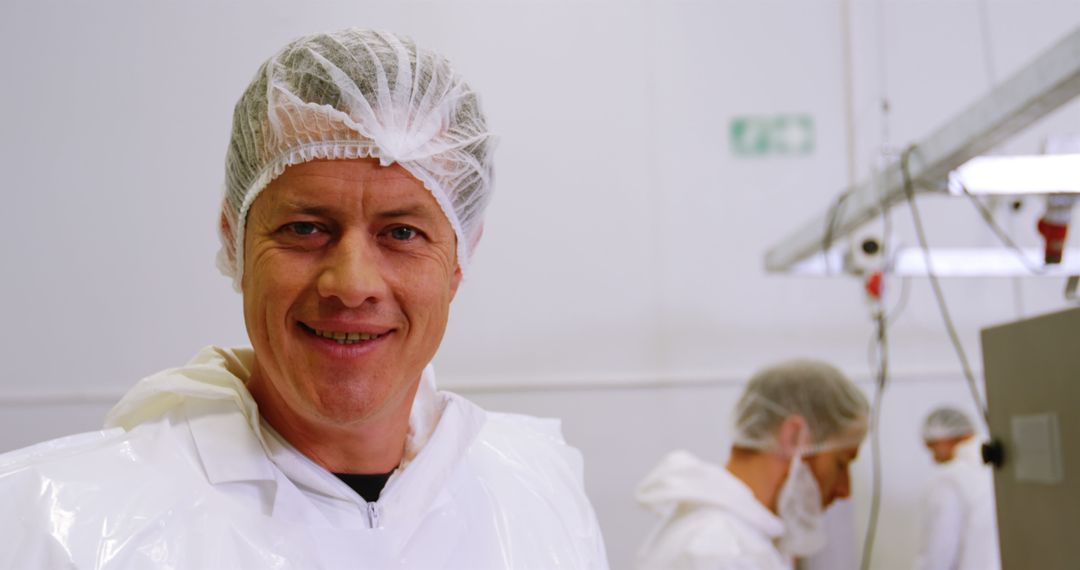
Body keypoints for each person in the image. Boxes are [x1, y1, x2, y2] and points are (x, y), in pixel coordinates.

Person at [0, 29, 608, 569]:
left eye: (402, 233)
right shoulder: (52, 526)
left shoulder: (535, 490)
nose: (351, 284)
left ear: (458, 262)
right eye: (304, 228)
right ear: (234, 243)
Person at [635, 358, 869, 570]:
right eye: (841, 463)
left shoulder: (732, 538)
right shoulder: (720, 553)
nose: (844, 489)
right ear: (794, 436)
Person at [914, 407, 1000, 570]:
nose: (934, 458)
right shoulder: (998, 468)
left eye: (933, 446)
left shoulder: (948, 479)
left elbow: (940, 551)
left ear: (949, 438)